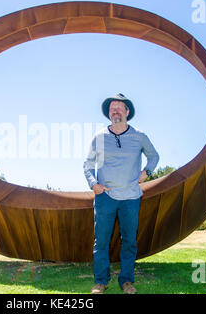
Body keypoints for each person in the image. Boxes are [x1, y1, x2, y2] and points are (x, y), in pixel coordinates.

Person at [83, 93, 159, 294]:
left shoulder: (139, 136)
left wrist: (147, 172)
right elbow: (88, 164)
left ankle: (126, 281)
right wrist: (93, 184)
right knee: (101, 241)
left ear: (127, 112)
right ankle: (101, 281)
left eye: (119, 107)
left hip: (131, 197)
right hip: (105, 197)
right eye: (112, 108)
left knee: (129, 241)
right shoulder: (99, 137)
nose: (115, 110)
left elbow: (154, 156)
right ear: (109, 113)